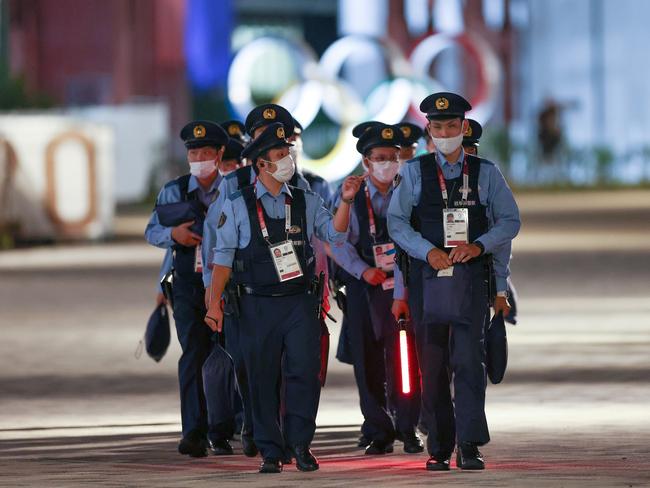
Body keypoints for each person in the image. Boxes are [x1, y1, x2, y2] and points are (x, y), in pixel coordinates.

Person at [204, 122, 363, 473]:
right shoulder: (238, 204)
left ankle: (301, 444)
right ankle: (270, 451)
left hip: (298, 303)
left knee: (304, 374)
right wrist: (213, 302)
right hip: (256, 304)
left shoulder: (306, 201)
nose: (287, 159)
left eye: (288, 153)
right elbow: (223, 258)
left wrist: (347, 203)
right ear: (261, 164)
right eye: (279, 155)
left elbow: (334, 234)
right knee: (260, 379)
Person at [387, 92, 520, 471]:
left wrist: (479, 247)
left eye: (452, 126)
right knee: (431, 367)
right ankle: (439, 447)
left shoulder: (486, 172)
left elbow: (510, 222)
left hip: (470, 282)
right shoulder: (413, 172)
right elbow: (396, 223)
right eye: (438, 126)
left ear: (464, 127)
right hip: (427, 281)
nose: (445, 132)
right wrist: (427, 250)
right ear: (429, 130)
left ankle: (470, 444)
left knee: (468, 362)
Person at [330, 125, 423, 456]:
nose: (387, 164)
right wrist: (361, 270)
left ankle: (409, 427)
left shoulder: (412, 191)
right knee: (366, 363)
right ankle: (378, 429)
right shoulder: (351, 195)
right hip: (365, 287)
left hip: (404, 287)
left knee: (406, 361)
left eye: (393, 158)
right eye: (379, 158)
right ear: (366, 163)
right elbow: (336, 242)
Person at [145, 120, 235, 458]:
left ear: (219, 154)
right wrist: (174, 236)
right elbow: (151, 230)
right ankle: (194, 432)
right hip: (187, 285)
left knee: (229, 356)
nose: (199, 158)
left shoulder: (235, 189)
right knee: (194, 355)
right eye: (193, 152)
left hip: (228, 286)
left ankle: (225, 430)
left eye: (206, 152)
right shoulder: (174, 191)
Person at [462, 119, 519, 325]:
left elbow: (505, 229)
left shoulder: (488, 176)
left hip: (479, 274)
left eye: (470, 150)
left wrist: (501, 288)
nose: (465, 156)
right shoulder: (421, 178)